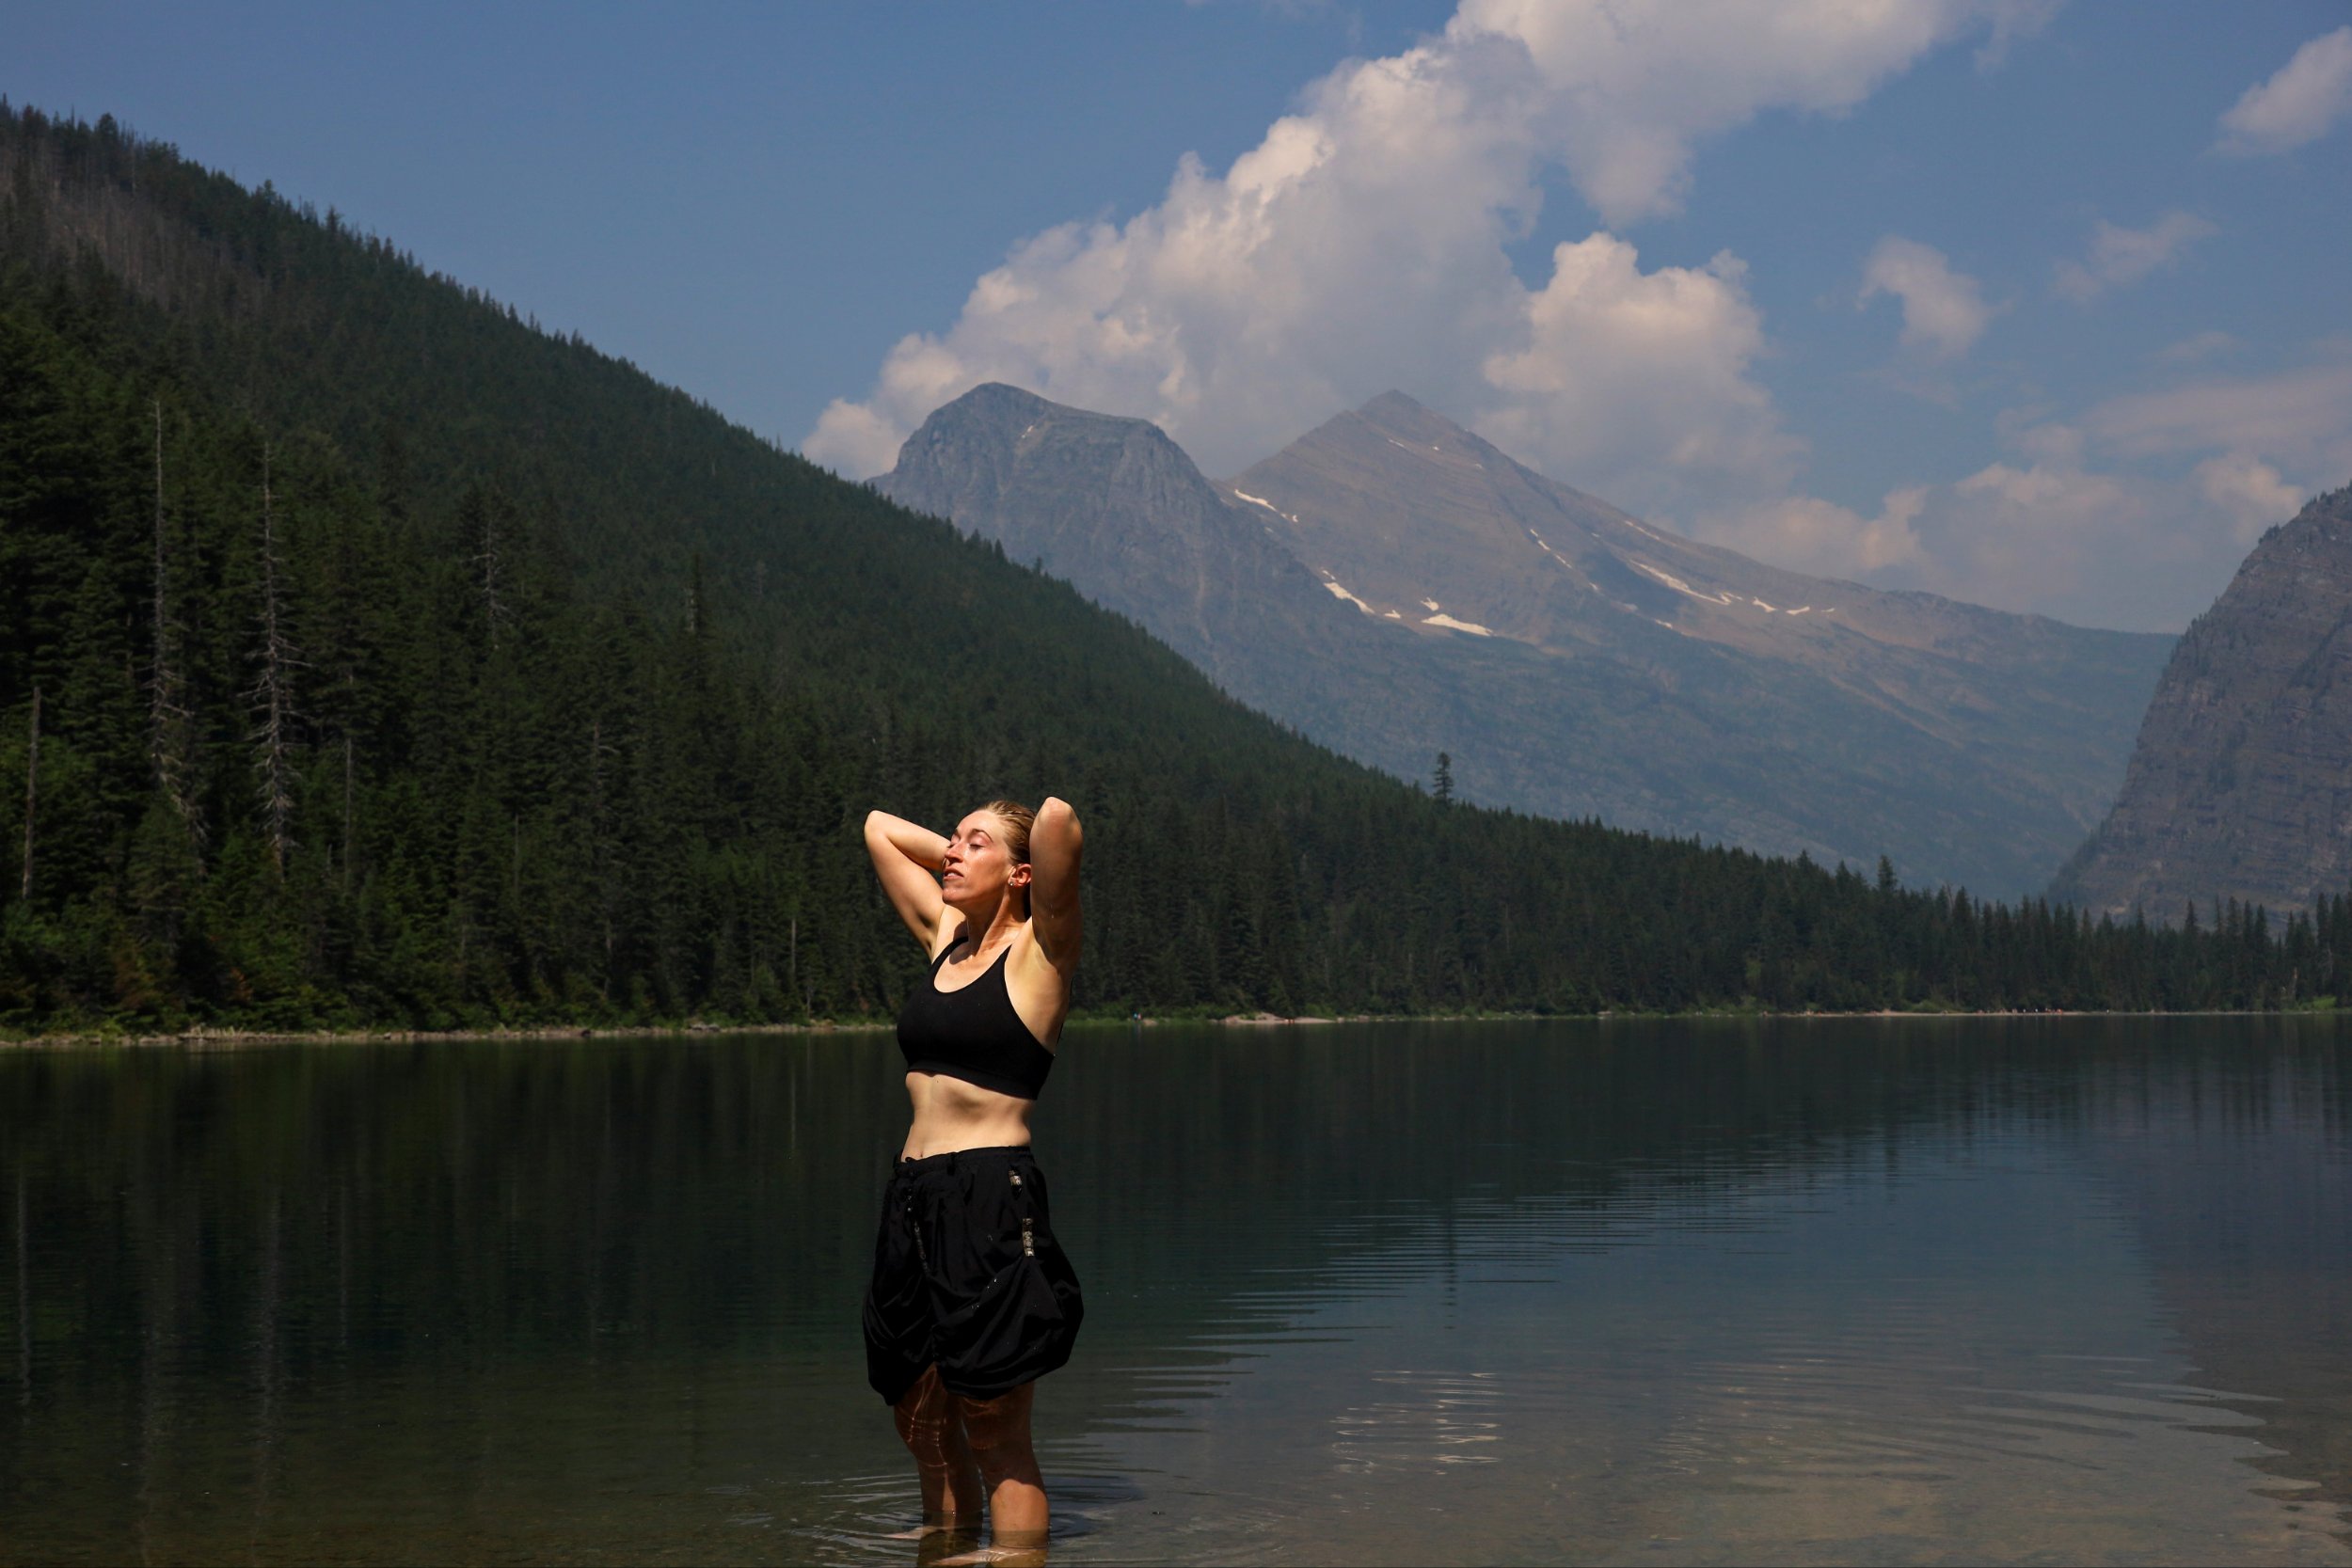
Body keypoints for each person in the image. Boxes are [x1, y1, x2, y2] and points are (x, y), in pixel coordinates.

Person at [861, 797, 1086, 1554]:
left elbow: (1058, 822)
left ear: (1021, 872)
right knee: (919, 1412)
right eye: (950, 840)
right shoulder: (945, 937)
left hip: (990, 1195)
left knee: (994, 1423)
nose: (950, 852)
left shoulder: (1042, 950)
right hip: (913, 1196)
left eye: (972, 842)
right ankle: (946, 1542)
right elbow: (878, 827)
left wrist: (1014, 853)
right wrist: (968, 853)